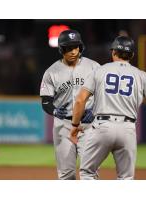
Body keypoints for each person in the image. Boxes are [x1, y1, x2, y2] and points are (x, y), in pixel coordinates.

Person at [69, 35, 146, 180]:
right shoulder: (141, 75)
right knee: (125, 178)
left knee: (88, 172)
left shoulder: (100, 71)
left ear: (113, 52)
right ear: (132, 55)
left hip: (102, 127)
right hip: (127, 130)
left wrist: (74, 125)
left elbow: (80, 100)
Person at [40, 29, 100, 180]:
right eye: (68, 48)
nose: (73, 51)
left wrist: (94, 110)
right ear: (61, 49)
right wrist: (54, 112)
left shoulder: (94, 67)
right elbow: (46, 102)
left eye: (76, 47)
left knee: (89, 173)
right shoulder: (51, 72)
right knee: (66, 175)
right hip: (64, 125)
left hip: (88, 125)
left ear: (81, 47)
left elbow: (104, 96)